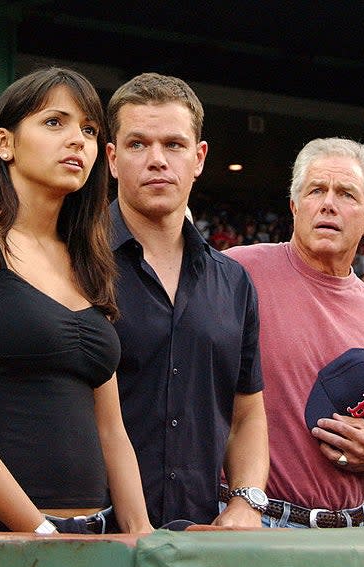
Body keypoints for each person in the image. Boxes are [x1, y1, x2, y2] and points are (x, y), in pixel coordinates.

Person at [0, 67, 152, 534]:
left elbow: (111, 430)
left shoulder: (88, 260)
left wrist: (140, 533)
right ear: (5, 143)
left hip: (90, 535)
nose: (77, 141)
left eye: (88, 129)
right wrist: (40, 532)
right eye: (54, 122)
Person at [105, 72, 268, 529]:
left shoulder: (234, 282)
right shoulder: (70, 262)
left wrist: (246, 501)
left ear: (198, 158)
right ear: (113, 159)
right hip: (86, 535)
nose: (157, 159)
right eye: (138, 144)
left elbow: (247, 412)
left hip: (198, 534)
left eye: (174, 145)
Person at [225, 137, 364, 528]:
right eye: (316, 190)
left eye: (346, 194)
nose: (329, 203)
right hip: (246, 520)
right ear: (294, 207)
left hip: (346, 532)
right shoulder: (234, 273)